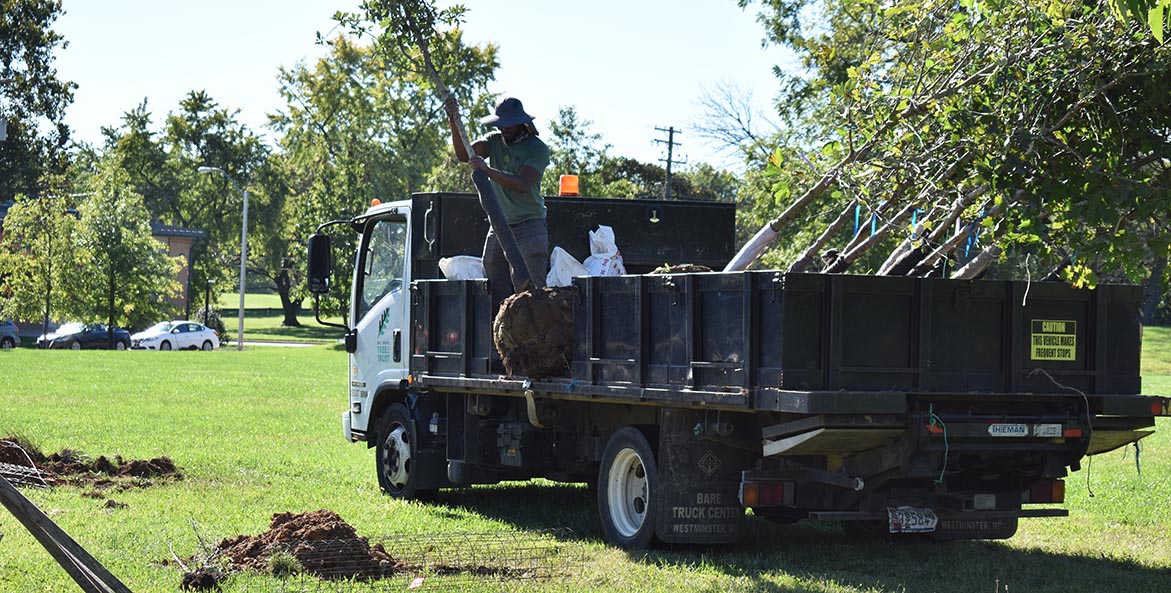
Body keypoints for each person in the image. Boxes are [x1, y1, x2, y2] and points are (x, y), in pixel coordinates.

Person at [444, 95, 551, 312]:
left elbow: (522, 183)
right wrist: (454, 122)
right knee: (492, 267)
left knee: (533, 287)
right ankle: (501, 327)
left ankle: (538, 331)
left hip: (529, 225)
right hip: (500, 225)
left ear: (523, 123)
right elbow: (465, 154)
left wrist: (487, 170)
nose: (504, 129)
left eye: (509, 124)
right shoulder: (494, 141)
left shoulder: (537, 149)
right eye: (501, 124)